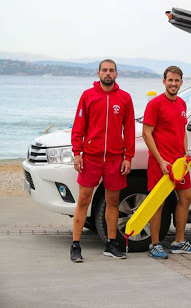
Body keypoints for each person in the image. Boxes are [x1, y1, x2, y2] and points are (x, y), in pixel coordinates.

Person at [70, 59, 135, 262]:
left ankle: (111, 243)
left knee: (113, 202)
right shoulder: (88, 96)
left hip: (115, 159)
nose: (108, 73)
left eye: (112, 70)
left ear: (116, 74)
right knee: (83, 200)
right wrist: (77, 152)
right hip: (91, 158)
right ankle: (75, 245)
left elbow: (130, 129)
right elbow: (78, 125)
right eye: (104, 70)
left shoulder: (124, 98)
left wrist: (128, 157)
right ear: (98, 73)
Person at [142, 66, 191, 259]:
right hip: (161, 163)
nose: (173, 84)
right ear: (164, 81)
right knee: (157, 203)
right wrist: (160, 160)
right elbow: (146, 133)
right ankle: (155, 244)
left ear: (181, 83)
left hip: (179, 164)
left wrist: (185, 154)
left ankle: (179, 242)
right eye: (170, 80)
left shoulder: (182, 104)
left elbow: (181, 131)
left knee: (186, 198)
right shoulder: (155, 104)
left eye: (177, 81)